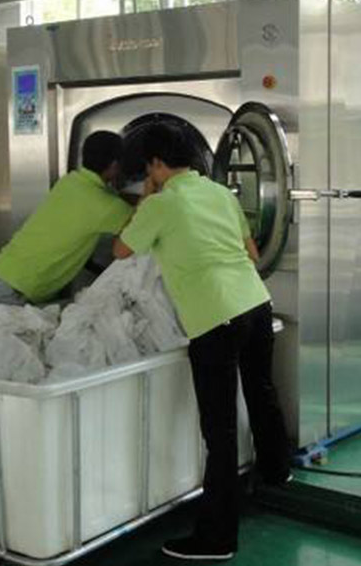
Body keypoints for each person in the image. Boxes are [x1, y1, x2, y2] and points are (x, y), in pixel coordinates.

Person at [112, 122, 292, 562]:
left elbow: (121, 251)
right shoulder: (219, 193)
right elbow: (252, 253)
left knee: (220, 431)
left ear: (156, 164)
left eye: (148, 169)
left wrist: (146, 201)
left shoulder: (162, 203)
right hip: (256, 303)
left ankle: (217, 539)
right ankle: (277, 473)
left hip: (215, 317)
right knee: (261, 390)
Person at [0, 130, 134, 306]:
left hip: (2, 277)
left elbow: (113, 197)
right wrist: (150, 189)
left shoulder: (70, 182)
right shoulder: (107, 207)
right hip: (14, 294)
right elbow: (143, 223)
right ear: (115, 165)